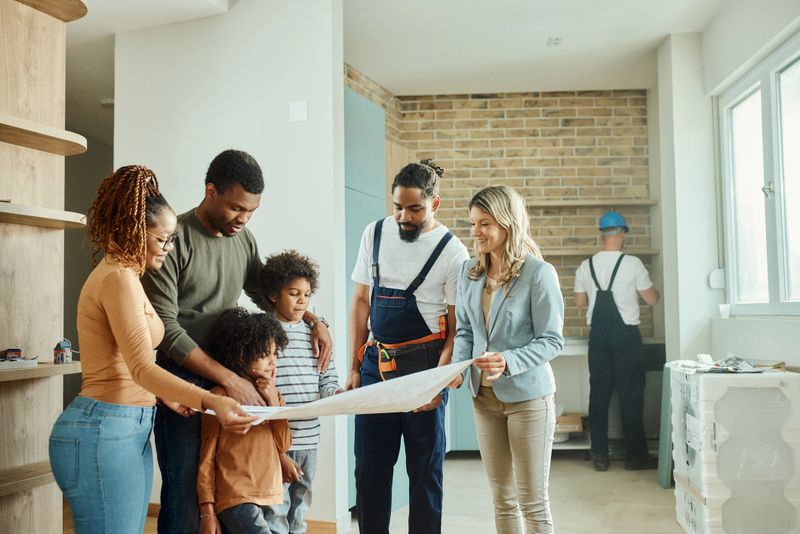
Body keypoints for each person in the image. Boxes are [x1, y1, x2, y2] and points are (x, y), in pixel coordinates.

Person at [49, 166, 257, 534]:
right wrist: (210, 400)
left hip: (123, 427)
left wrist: (163, 394)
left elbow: (130, 363)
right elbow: (143, 367)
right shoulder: (117, 279)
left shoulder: (127, 277)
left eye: (172, 239)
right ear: (133, 231)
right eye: (163, 240)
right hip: (105, 429)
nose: (169, 249)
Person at [141, 149, 333, 533]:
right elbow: (166, 330)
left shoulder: (243, 240)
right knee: (184, 489)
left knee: (230, 488)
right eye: (235, 208)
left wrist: (314, 319)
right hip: (181, 381)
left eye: (251, 212)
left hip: (230, 376)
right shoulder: (172, 241)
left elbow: (270, 294)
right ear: (210, 191)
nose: (242, 219)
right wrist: (230, 381)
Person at [346, 159, 470, 534]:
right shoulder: (375, 233)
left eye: (414, 208)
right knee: (370, 468)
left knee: (424, 471)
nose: (403, 216)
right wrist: (354, 366)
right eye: (397, 206)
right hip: (375, 364)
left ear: (435, 204)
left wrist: (440, 380)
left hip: (425, 369)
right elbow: (361, 302)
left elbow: (455, 326)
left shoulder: (453, 251)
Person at [452, 185, 564, 534]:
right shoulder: (469, 272)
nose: (476, 233)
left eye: (484, 223)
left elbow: (551, 340)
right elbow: (465, 331)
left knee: (532, 502)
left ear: (507, 223)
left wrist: (508, 360)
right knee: (502, 499)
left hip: (529, 400)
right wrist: (457, 368)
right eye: (473, 224)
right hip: (483, 400)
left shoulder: (538, 274)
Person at [254, 250, 341, 534]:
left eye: (306, 294)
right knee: (275, 509)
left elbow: (327, 378)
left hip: (309, 439)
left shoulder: (317, 336)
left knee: (300, 508)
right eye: (294, 293)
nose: (303, 300)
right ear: (273, 295)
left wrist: (336, 394)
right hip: (278, 439)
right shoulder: (263, 333)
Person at [574, 210, 660, 472]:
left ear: (602, 236)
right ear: (621, 234)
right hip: (627, 338)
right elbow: (652, 299)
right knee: (631, 395)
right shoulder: (633, 264)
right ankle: (636, 457)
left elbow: (580, 303)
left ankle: (600, 455)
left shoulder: (585, 266)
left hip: (598, 338)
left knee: (598, 395)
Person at [197, 308, 292, 534]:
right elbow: (206, 456)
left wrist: (271, 400)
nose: (273, 361)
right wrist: (207, 509)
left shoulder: (274, 396)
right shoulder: (219, 396)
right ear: (241, 356)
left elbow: (284, 443)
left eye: (275, 353)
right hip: (236, 496)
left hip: (273, 493)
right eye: (265, 354)